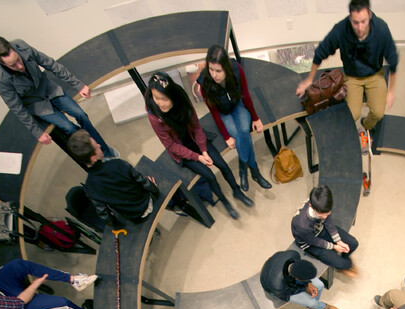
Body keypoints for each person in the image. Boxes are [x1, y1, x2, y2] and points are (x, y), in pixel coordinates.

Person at [0, 34, 117, 156]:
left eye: (19, 60)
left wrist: (78, 84)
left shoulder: (22, 46)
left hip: (49, 89)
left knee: (81, 115)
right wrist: (37, 132)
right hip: (36, 103)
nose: (20, 66)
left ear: (13, 48)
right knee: (70, 128)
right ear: (1, 62)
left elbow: (51, 65)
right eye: (13, 65)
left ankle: (105, 152)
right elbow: (16, 107)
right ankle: (93, 154)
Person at [145, 71, 252, 220]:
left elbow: (195, 124)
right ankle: (225, 202)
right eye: (156, 98)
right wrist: (198, 157)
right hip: (181, 149)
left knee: (223, 165)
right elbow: (171, 146)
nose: (160, 103)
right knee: (210, 176)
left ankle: (236, 191)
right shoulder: (154, 115)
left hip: (194, 138)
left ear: (173, 96)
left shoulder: (181, 98)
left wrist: (203, 150)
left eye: (164, 98)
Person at [295, 0, 399, 134]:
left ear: (369, 14)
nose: (360, 28)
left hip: (375, 74)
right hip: (352, 76)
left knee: (378, 113)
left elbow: (393, 60)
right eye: (355, 22)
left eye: (363, 22)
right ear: (350, 17)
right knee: (352, 115)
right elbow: (321, 51)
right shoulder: (341, 29)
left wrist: (391, 91)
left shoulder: (381, 28)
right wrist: (309, 79)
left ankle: (365, 126)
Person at [196, 44, 271, 192]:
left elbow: (246, 95)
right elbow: (214, 112)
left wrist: (255, 118)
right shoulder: (205, 82)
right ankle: (254, 172)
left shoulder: (237, 70)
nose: (214, 74)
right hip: (222, 112)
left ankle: (243, 167)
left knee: (244, 131)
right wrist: (226, 137)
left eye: (218, 70)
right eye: (211, 69)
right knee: (240, 136)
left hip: (237, 105)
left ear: (226, 68)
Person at [68, 130, 160, 226]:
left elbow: (104, 215)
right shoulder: (117, 164)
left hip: (133, 216)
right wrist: (154, 188)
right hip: (147, 203)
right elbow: (142, 181)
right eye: (96, 146)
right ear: (93, 158)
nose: (99, 145)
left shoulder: (89, 188)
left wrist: (114, 223)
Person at [291, 185, 359, 276]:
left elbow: (328, 221)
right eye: (321, 214)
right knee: (342, 264)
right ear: (311, 206)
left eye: (327, 213)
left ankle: (343, 259)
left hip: (319, 228)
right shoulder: (302, 225)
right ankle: (343, 266)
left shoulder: (322, 205)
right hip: (309, 243)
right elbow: (315, 241)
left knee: (353, 243)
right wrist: (333, 246)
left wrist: (338, 241)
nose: (324, 217)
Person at [260, 250, 340, 309]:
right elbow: (287, 292)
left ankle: (315, 306)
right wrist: (304, 288)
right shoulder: (277, 286)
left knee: (319, 285)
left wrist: (308, 283)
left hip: (281, 270)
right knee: (310, 302)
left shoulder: (294, 254)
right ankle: (322, 306)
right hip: (277, 289)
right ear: (296, 278)